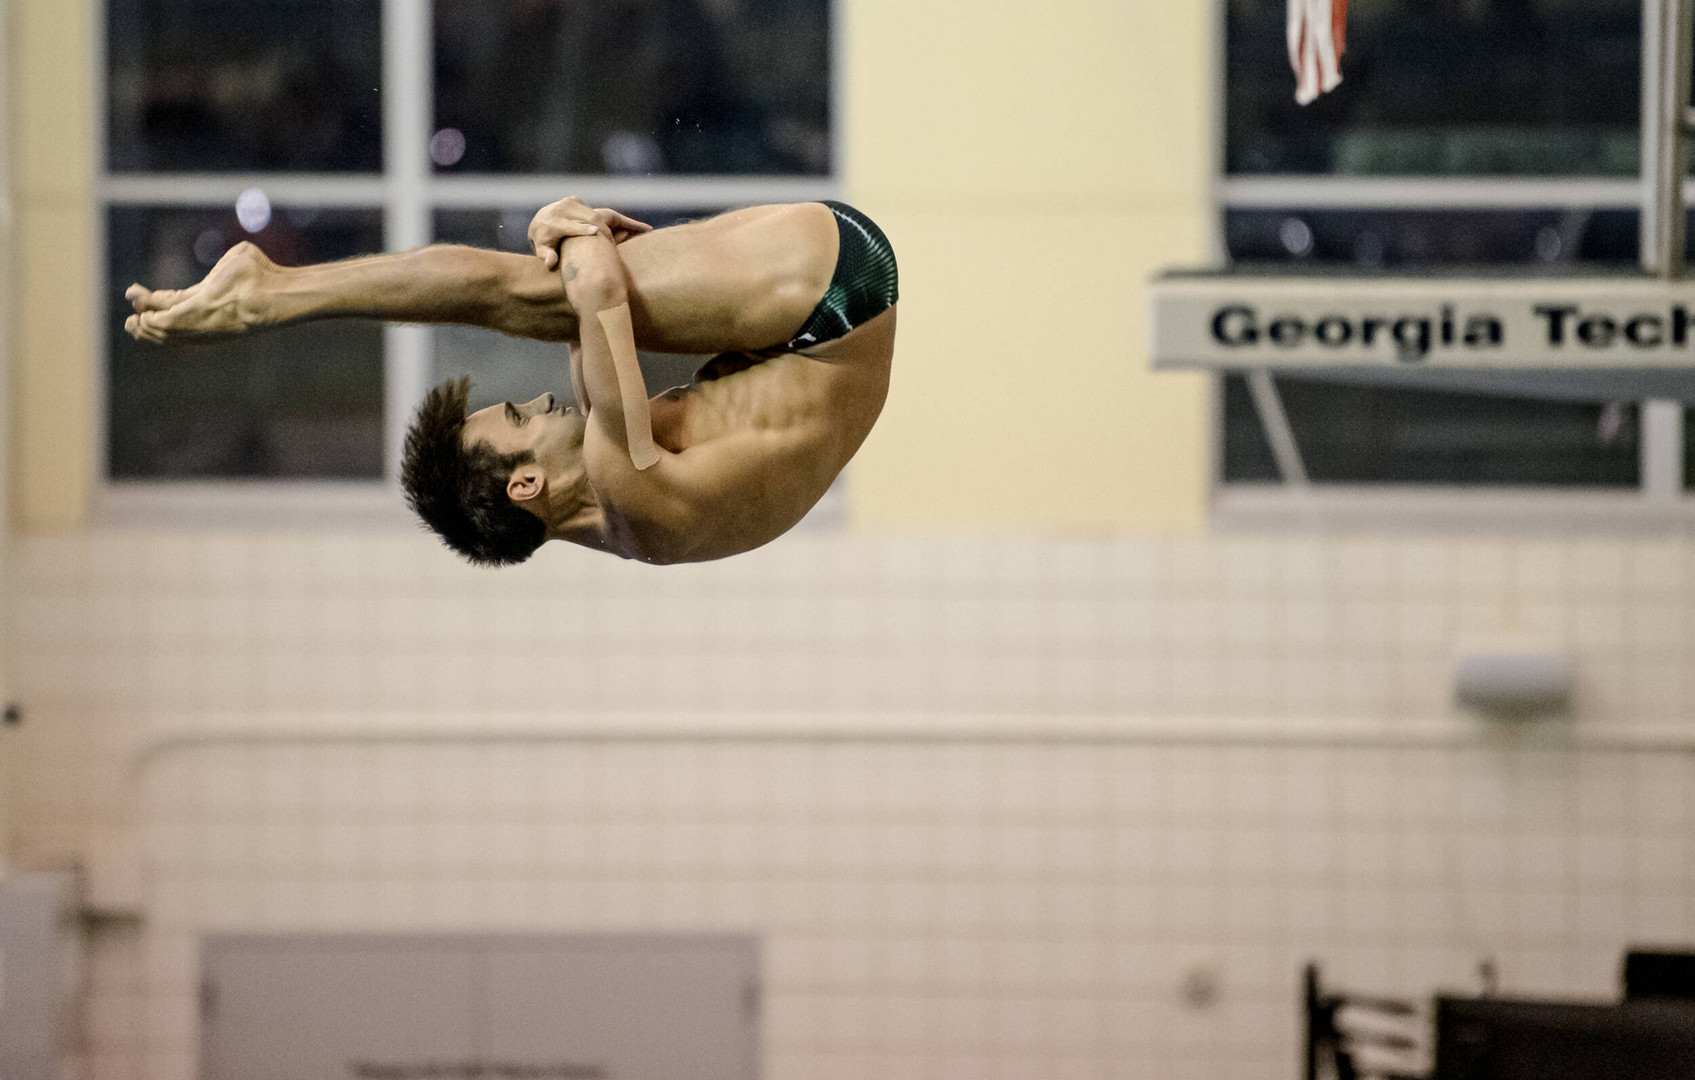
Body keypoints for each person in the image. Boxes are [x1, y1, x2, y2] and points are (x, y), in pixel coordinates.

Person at [124, 196, 898, 565]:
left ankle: (271, 293)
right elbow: (591, 291)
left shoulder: (625, 521)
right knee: (521, 293)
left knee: (542, 300)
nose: (538, 402)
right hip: (828, 291)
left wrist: (580, 249)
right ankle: (268, 294)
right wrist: (561, 224)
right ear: (525, 486)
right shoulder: (619, 480)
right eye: (521, 418)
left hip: (824, 315)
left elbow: (593, 327)